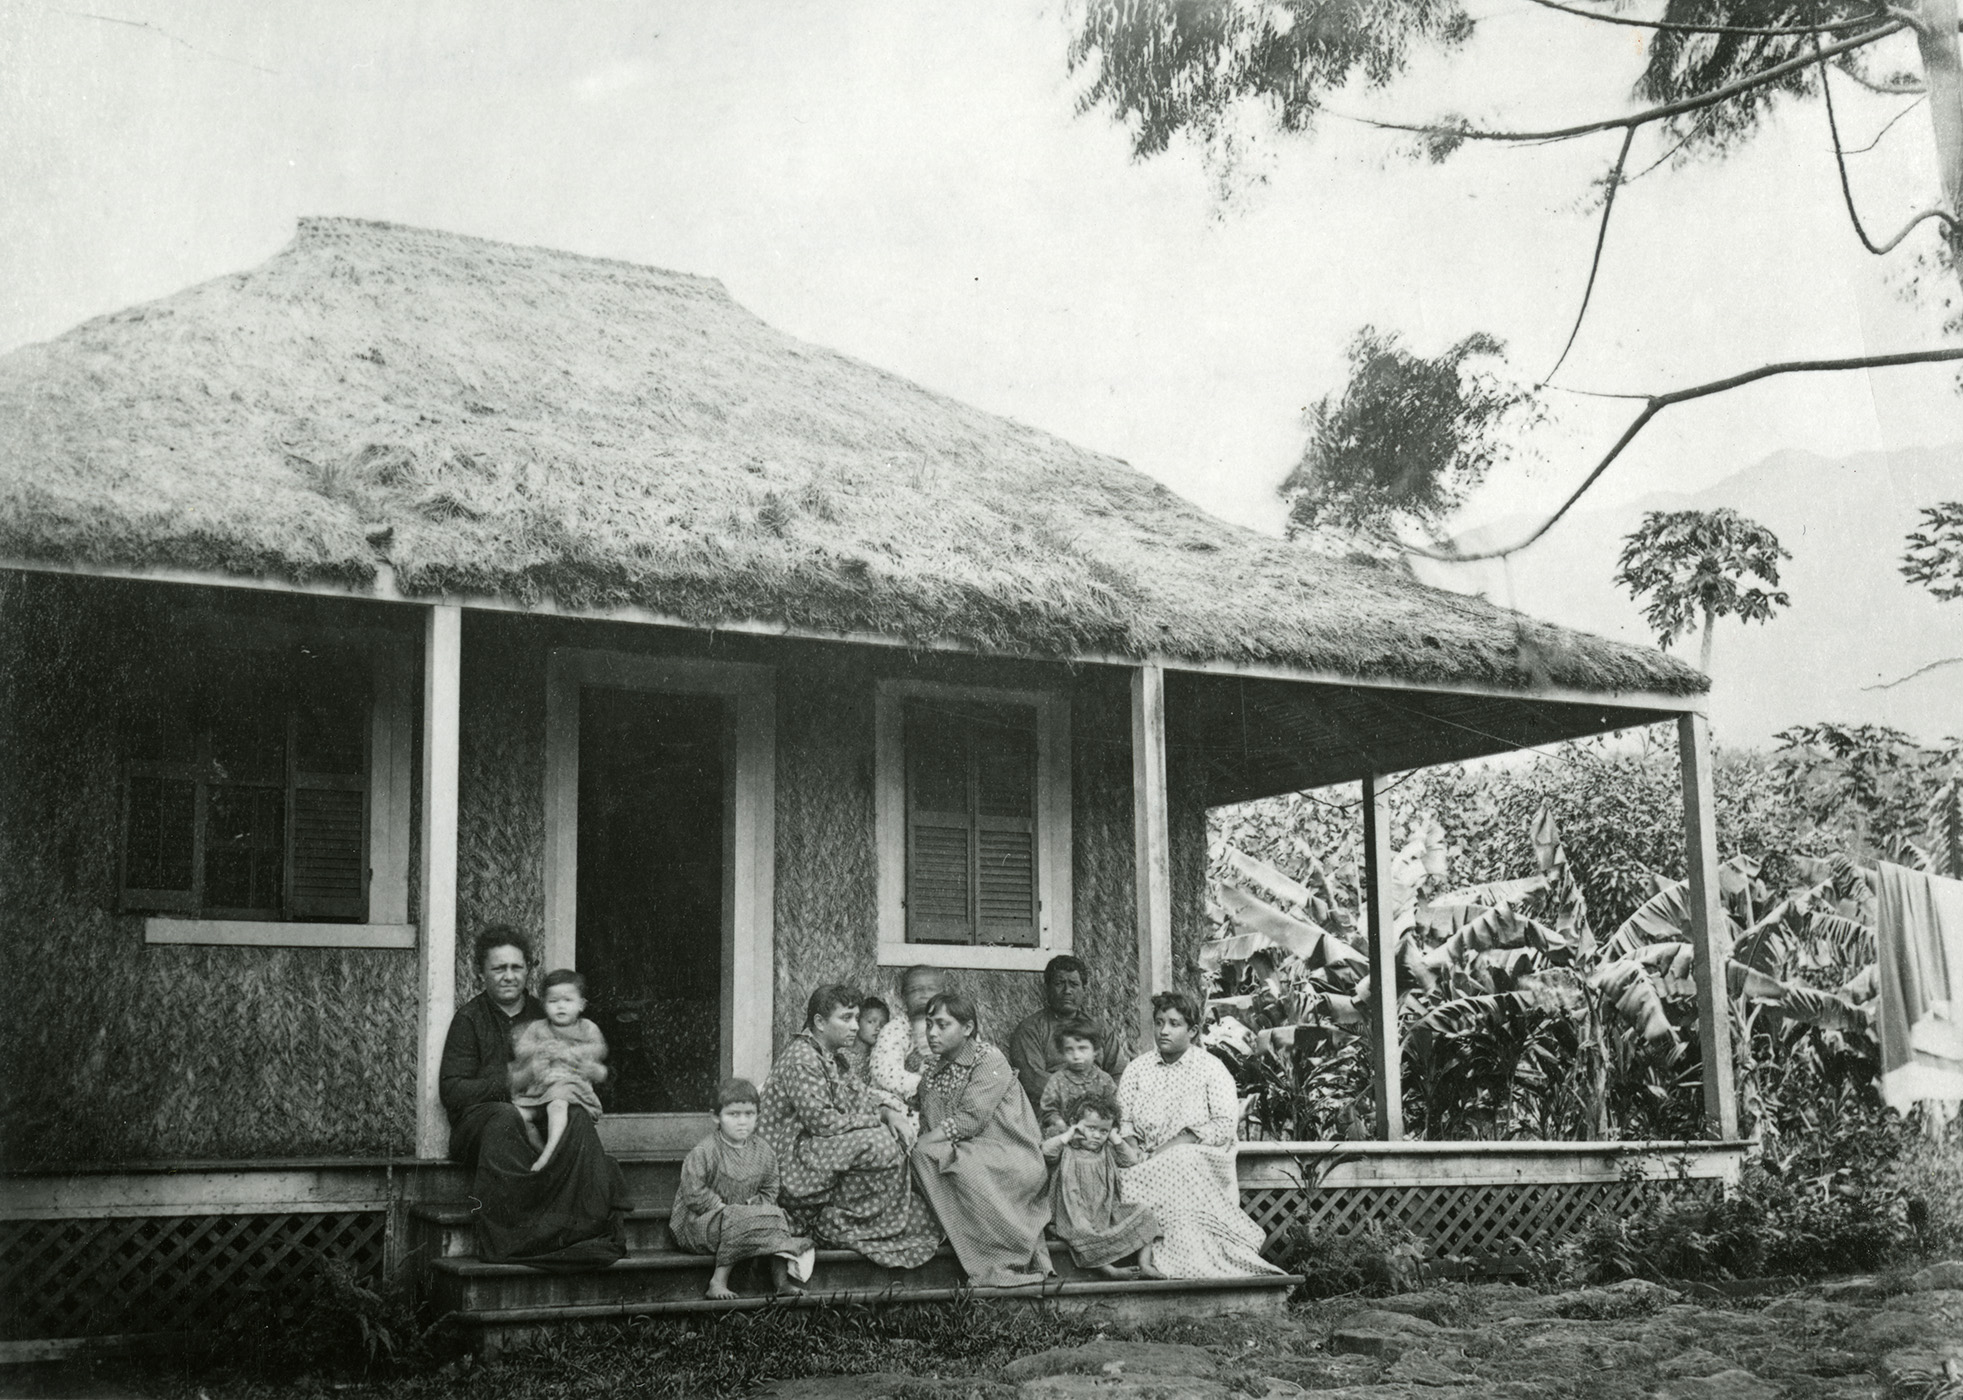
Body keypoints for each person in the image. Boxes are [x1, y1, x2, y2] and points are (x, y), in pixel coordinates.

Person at [438, 926, 628, 1268]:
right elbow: (453, 1091)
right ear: (481, 973)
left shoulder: (548, 1012)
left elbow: (593, 1063)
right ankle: (516, 1238)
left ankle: (576, 1231)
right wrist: (513, 1078)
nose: (509, 976)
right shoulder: (469, 1020)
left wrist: (581, 1067)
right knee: (506, 1118)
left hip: (540, 1110)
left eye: (517, 967)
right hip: (480, 1124)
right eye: (499, 968)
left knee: (576, 1117)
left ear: (528, 970)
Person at [759, 984, 940, 1270]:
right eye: (846, 1018)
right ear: (819, 1023)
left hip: (815, 1149)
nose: (855, 1027)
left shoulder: (831, 1057)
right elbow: (823, 1122)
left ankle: (862, 1218)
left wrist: (886, 1111)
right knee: (878, 1143)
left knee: (890, 1138)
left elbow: (861, 1097)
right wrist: (877, 1121)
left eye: (857, 1018)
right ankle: (835, 1224)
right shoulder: (802, 1058)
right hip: (789, 1159)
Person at [1114, 990, 1283, 1280]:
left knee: (1180, 1161)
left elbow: (1223, 1125)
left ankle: (1182, 1261)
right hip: (1144, 1155)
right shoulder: (1137, 1069)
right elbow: (1123, 1119)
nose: (1163, 1030)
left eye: (1174, 1023)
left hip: (1199, 1154)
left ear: (1192, 1031)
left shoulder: (1211, 1069)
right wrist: (1132, 1147)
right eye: (1158, 1022)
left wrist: (1174, 1144)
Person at [909, 989, 1054, 1288]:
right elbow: (919, 1113)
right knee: (925, 1157)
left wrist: (923, 1142)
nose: (932, 1033)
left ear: (968, 1028)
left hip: (1011, 1154)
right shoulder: (933, 1071)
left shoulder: (988, 1059)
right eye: (928, 1024)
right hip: (968, 1149)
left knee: (942, 1159)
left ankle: (996, 1263)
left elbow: (969, 1119)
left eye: (942, 1024)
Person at [670, 1077, 815, 1299]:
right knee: (737, 1217)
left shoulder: (763, 1151)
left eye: (749, 1114)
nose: (742, 1122)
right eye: (733, 1115)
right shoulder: (705, 1151)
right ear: (716, 1117)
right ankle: (717, 1282)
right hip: (703, 1223)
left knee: (776, 1214)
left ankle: (781, 1282)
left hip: (743, 1218)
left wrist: (753, 1206)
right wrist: (723, 1208)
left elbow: (770, 1188)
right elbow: (693, 1191)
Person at [1041, 1092, 1164, 1280]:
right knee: (1081, 1231)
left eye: (1103, 1131)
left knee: (1145, 1213)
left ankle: (1145, 1264)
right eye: (1091, 1128)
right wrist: (1069, 1134)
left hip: (1104, 1210)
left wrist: (1115, 1138)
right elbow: (1046, 1152)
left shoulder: (1107, 1149)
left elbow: (1130, 1160)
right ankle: (1108, 1269)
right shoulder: (1067, 1149)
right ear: (1076, 1124)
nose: (1097, 1136)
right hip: (1072, 1213)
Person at [508, 969, 609, 1173]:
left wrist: (573, 1052)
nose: (560, 1006)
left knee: (557, 1105)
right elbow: (521, 1048)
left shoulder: (586, 1027)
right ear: (544, 1005)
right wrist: (540, 1049)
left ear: (581, 1005)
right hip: (539, 1089)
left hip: (569, 1086)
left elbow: (599, 1048)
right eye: (553, 1001)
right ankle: (543, 1151)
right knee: (517, 1116)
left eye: (568, 1000)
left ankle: (548, 1155)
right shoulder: (538, 1028)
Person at [1007, 955, 1126, 1105]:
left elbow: (1119, 1072)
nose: (1067, 991)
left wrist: (1104, 1103)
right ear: (1048, 988)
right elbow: (1032, 1079)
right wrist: (1081, 1099)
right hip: (1055, 1107)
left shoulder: (1100, 1028)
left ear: (1084, 990)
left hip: (1099, 1107)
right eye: (1059, 983)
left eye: (1074, 984)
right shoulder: (1031, 1029)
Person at [1037, 1019, 1119, 1139]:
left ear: (1095, 1051)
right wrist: (1060, 1124)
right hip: (1067, 1135)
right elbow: (1048, 1110)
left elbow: (1114, 1109)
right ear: (1062, 1052)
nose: (1076, 1056)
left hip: (1098, 1136)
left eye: (1082, 1048)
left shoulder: (1104, 1080)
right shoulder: (1058, 1080)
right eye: (1069, 1050)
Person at [870, 965, 942, 1102]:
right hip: (902, 1101)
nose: (924, 994)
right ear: (903, 997)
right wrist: (927, 1086)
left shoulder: (953, 1026)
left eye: (931, 989)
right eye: (915, 990)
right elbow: (885, 1072)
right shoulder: (896, 1030)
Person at [840, 996, 888, 1083]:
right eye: (871, 1022)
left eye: (883, 1024)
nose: (878, 1028)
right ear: (857, 1021)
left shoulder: (880, 1058)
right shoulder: (841, 1055)